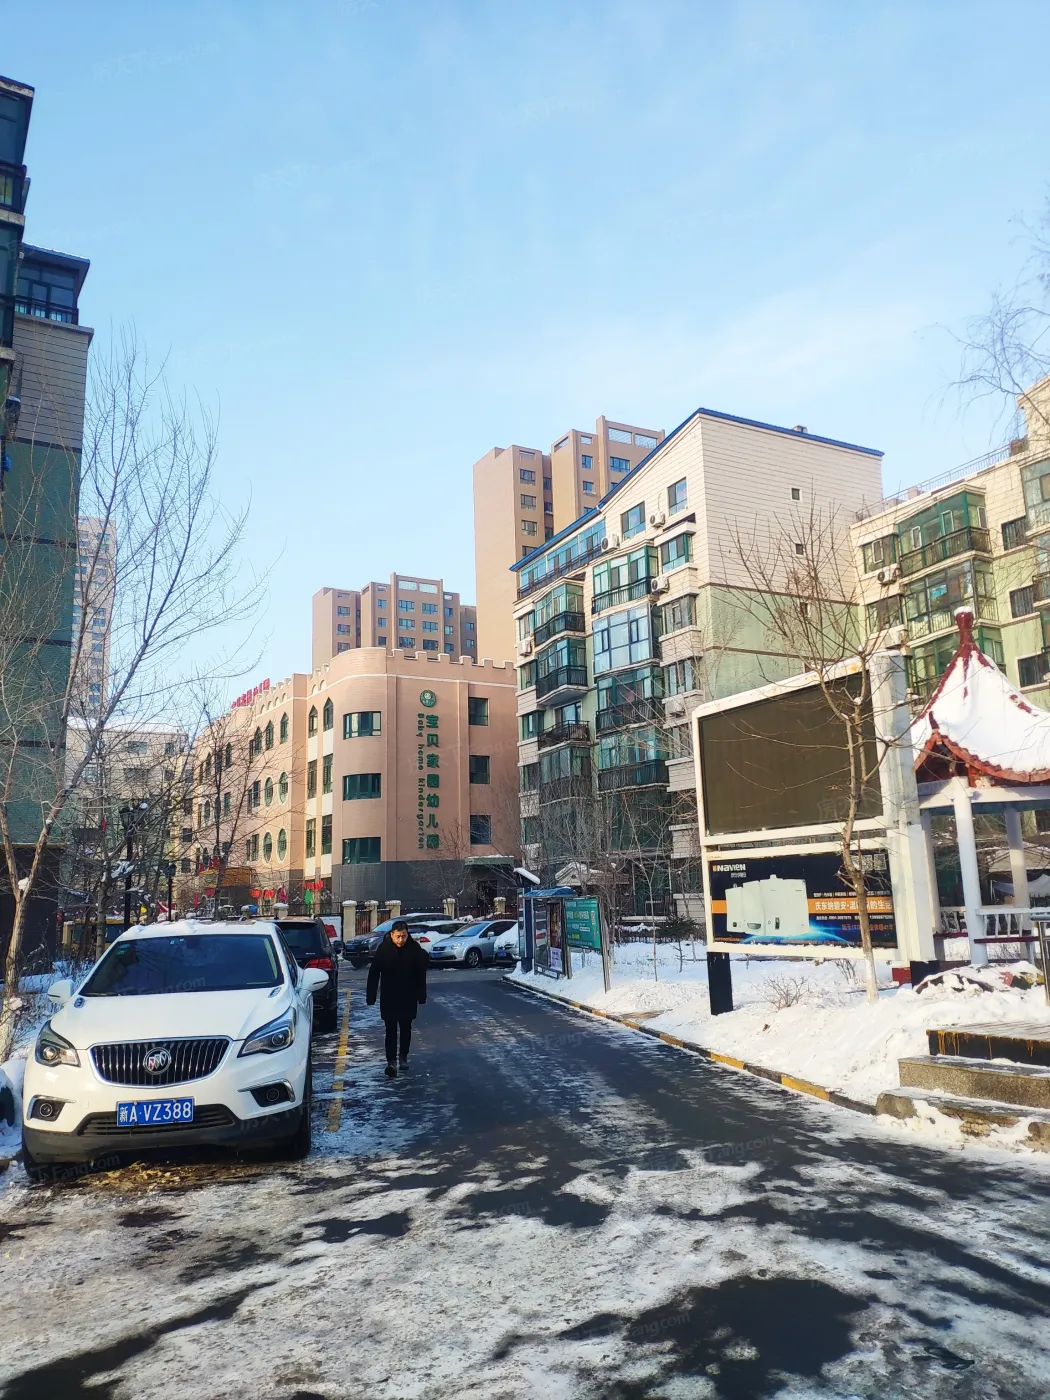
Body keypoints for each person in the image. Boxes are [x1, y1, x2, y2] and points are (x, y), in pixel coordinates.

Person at [365, 919, 429, 1076]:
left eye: (404, 936)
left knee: (406, 1028)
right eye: (398, 936)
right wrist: (371, 996)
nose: (401, 940)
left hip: (408, 995)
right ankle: (391, 1062)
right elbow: (374, 973)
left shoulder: (414, 948)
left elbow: (421, 973)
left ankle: (403, 1057)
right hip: (389, 996)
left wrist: (421, 995)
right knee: (390, 1029)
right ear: (392, 935)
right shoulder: (383, 949)